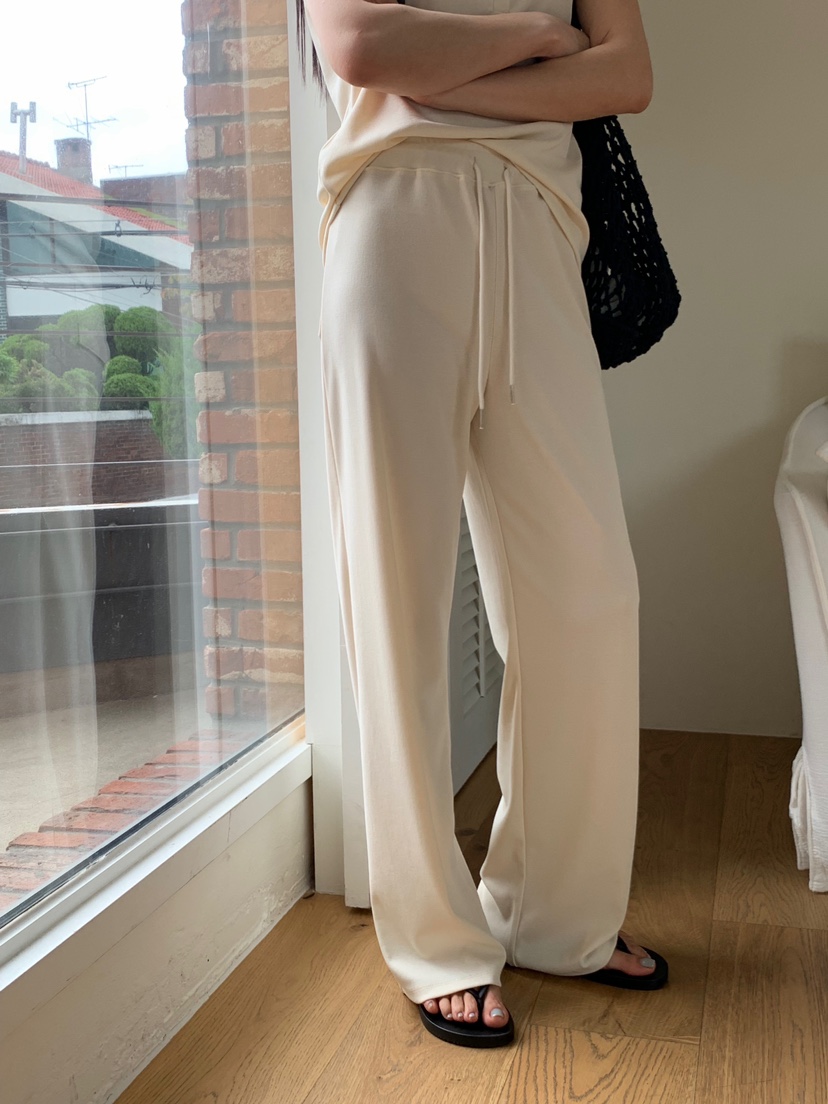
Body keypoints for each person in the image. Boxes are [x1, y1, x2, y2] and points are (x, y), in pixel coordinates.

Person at [300, 0, 669, 1048]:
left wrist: (441, 71)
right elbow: (358, 45)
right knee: (397, 597)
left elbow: (626, 75)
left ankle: (555, 914)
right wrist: (541, 37)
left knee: (590, 597)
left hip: (542, 229)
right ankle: (436, 941)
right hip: (393, 210)